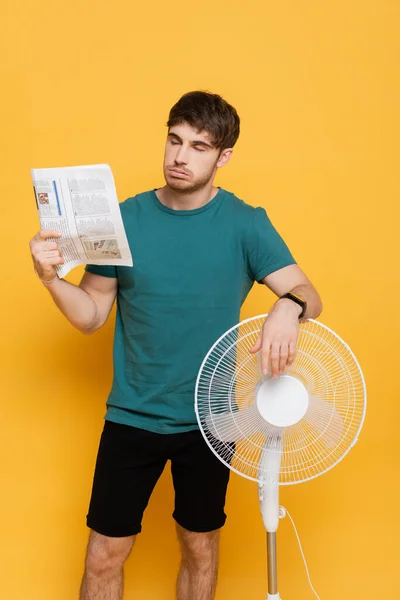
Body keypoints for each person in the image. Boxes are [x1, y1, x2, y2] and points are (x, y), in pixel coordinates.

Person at [29, 90, 323, 600]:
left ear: (223, 156)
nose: (180, 157)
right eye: (174, 140)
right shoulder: (122, 219)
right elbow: (92, 314)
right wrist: (51, 278)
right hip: (132, 415)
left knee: (199, 547)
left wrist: (286, 306)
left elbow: (309, 295)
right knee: (103, 555)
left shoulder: (246, 223)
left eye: (198, 147)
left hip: (210, 422)